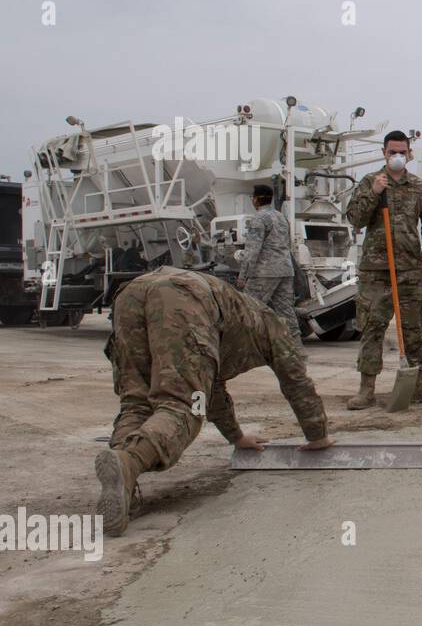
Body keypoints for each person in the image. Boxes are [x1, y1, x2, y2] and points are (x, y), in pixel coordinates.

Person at [96, 267, 333, 536]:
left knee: (136, 403)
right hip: (183, 297)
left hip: (131, 292)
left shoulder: (236, 317)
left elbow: (213, 386)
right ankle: (131, 461)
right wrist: (318, 435)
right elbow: (295, 378)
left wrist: (236, 437)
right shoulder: (273, 325)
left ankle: (122, 478)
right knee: (185, 405)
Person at [343, 131, 422, 408]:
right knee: (372, 328)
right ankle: (366, 389)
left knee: (414, 328)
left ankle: (419, 384)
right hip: (376, 270)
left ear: (409, 154)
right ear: (384, 153)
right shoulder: (370, 182)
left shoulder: (418, 186)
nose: (397, 157)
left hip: (410, 269)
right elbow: (355, 218)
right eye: (392, 152)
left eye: (402, 152)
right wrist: (374, 193)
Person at [237, 184, 301, 347]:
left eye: (253, 197)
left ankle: (244, 350)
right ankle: (296, 349)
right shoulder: (281, 217)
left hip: (264, 272)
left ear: (256, 199)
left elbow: (252, 250)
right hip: (285, 270)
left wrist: (243, 275)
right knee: (286, 311)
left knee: (248, 309)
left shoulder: (259, 219)